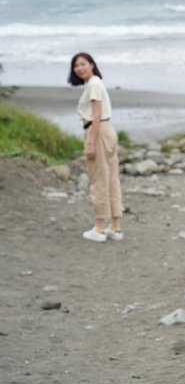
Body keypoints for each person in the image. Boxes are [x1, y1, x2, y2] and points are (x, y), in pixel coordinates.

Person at [68, 52, 124, 243]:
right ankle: (115, 227)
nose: (79, 68)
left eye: (83, 64)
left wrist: (90, 142)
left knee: (99, 178)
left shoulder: (93, 84)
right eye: (76, 66)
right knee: (111, 178)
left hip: (98, 131)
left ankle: (99, 228)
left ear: (92, 64)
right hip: (108, 131)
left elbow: (96, 115)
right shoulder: (97, 82)